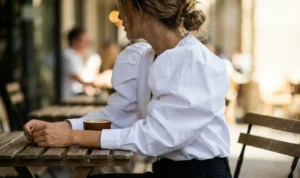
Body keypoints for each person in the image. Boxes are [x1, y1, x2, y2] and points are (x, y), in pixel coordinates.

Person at [24, 0, 232, 177]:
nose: (120, 16)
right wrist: (60, 128)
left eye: (123, 6)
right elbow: (117, 117)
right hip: (166, 170)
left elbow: (154, 137)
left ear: (144, 9)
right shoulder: (143, 58)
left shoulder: (194, 62)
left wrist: (72, 137)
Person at [61, 27, 101, 100]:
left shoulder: (77, 55)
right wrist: (96, 83)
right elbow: (78, 77)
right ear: (74, 41)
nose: (86, 43)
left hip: (76, 95)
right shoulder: (67, 55)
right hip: (70, 97)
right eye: (84, 41)